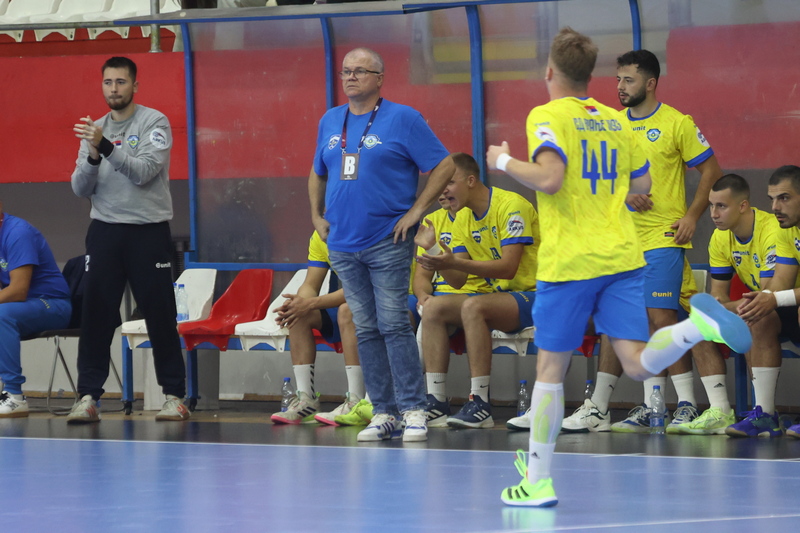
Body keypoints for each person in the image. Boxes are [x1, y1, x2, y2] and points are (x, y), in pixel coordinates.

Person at [486, 27, 751, 507]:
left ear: (550, 71)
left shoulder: (547, 115)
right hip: (624, 256)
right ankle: (695, 328)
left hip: (571, 261)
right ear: (591, 75)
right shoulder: (614, 121)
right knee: (636, 359)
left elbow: (550, 177)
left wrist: (503, 161)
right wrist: (612, 188)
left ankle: (537, 482)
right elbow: (643, 181)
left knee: (550, 368)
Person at [308, 47, 455, 443]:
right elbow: (317, 171)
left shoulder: (403, 118)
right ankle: (384, 411)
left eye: (360, 71)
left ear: (379, 78)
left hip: (388, 239)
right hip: (342, 243)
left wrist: (417, 211)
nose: (350, 77)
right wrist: (316, 216)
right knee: (365, 327)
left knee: (393, 324)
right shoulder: (330, 120)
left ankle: (413, 408)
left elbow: (445, 164)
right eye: (346, 71)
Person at [597, 49, 723, 432]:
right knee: (633, 320)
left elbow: (712, 170)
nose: (620, 87)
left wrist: (691, 217)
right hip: (624, 242)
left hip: (664, 237)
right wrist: (624, 195)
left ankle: (686, 403)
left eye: (629, 79)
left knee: (661, 316)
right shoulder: (612, 125)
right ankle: (654, 407)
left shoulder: (676, 123)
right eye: (618, 79)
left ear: (650, 83)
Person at [69, 56, 189, 423]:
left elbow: (144, 172)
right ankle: (88, 397)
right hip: (105, 231)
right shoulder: (95, 130)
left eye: (121, 82)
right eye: (108, 82)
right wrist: (92, 155)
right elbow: (79, 188)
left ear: (135, 85)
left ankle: (174, 396)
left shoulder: (154, 122)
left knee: (159, 313)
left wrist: (104, 146)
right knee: (96, 314)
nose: (114, 89)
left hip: (148, 231)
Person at [415, 152, 538, 429]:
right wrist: (434, 250)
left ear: (470, 181)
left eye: (449, 182)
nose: (443, 190)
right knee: (433, 307)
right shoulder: (463, 217)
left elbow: (508, 268)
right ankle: (436, 401)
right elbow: (458, 280)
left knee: (474, 306)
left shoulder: (511, 206)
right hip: (501, 298)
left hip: (536, 294)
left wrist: (455, 262)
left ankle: (480, 402)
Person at [558, 260, 734, 435]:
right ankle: (606, 409)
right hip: (633, 281)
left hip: (671, 284)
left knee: (663, 317)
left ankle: (686, 405)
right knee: (614, 318)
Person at [269, 230, 372, 426]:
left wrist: (309, 303)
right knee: (298, 316)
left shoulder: (360, 229)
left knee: (347, 311)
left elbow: (359, 287)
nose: (325, 218)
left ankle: (355, 401)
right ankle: (306, 400)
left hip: (375, 301)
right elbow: (310, 284)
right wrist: (298, 304)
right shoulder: (319, 236)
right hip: (349, 303)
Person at [735, 165, 800, 439]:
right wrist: (762, 300)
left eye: (784, 198)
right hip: (794, 301)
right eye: (772, 199)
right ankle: (765, 415)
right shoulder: (787, 230)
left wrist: (774, 299)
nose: (775, 207)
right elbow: (781, 280)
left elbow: (781, 295)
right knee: (759, 316)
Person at [0, 203, 72, 418]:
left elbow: (18, 290)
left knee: (1, 315)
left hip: (52, 304)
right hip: (22, 306)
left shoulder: (17, 233)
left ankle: (14, 396)